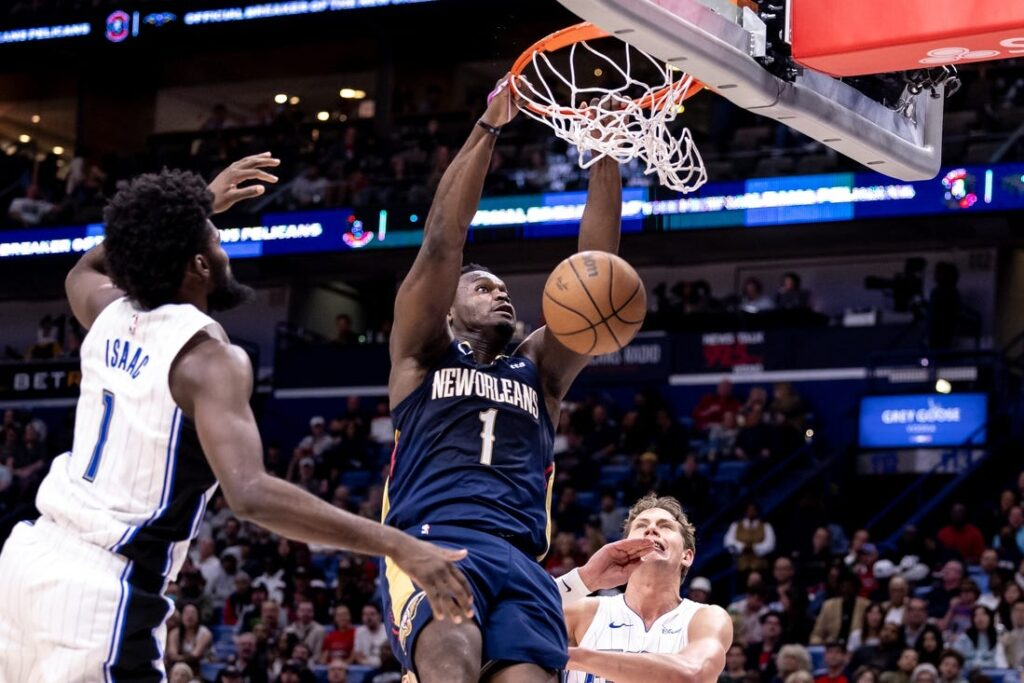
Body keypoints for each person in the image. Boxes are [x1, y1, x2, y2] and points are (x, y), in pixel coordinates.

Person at [0, 156, 471, 682]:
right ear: (199, 266)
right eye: (216, 240)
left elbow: (82, 268)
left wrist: (192, 208)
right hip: (101, 593)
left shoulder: (106, 311)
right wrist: (398, 543)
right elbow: (249, 495)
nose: (225, 250)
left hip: (28, 562)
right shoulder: (209, 361)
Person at [380, 78, 628, 683]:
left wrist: (603, 156)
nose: (500, 293)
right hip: (437, 541)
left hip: (522, 561)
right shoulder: (422, 355)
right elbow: (443, 241)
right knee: (452, 666)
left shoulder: (539, 370)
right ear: (447, 307)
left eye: (502, 288)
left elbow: (597, 278)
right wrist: (488, 128)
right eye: (481, 287)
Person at [561, 495, 733, 683]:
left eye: (665, 526)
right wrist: (584, 579)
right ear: (623, 546)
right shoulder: (581, 612)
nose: (651, 529)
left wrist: (566, 656)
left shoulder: (706, 618)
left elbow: (695, 673)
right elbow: (532, 614)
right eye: (641, 526)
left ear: (687, 556)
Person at [951, 606, 1007, 670]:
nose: (980, 618)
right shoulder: (964, 639)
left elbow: (1002, 662)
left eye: (983, 614)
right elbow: (956, 659)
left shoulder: (999, 637)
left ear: (990, 617)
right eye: (976, 615)